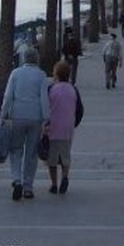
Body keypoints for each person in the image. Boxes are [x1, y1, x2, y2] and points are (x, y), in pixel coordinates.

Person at [1, 46, 50, 200]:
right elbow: (44, 99)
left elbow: (8, 96)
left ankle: (16, 180)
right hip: (35, 117)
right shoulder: (41, 75)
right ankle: (28, 187)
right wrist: (46, 118)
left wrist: (3, 114)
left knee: (15, 150)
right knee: (31, 153)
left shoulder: (15, 73)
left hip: (17, 116)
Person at [46, 59, 78, 195]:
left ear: (56, 74)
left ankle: (54, 184)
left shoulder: (51, 89)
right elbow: (80, 109)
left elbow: (45, 107)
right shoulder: (73, 89)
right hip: (67, 127)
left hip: (52, 127)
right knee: (65, 155)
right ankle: (64, 176)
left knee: (51, 158)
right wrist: (73, 121)